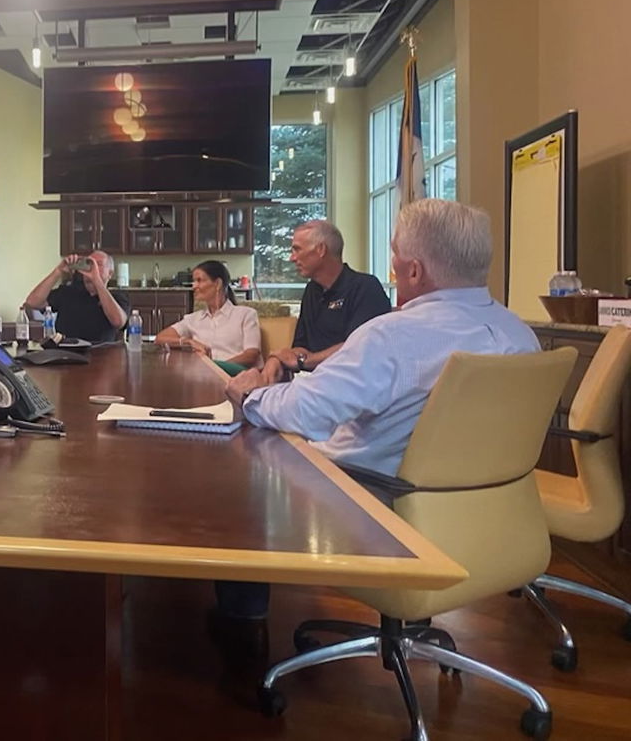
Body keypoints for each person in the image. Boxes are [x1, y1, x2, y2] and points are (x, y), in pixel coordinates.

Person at [213, 199, 540, 633]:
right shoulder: (522, 335)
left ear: (415, 271)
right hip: (491, 520)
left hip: (378, 508)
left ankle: (240, 626)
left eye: (395, 259)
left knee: (242, 466)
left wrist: (251, 395)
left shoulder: (393, 336)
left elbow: (307, 412)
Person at [262, 219, 391, 383]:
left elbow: (358, 349)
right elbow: (301, 346)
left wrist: (306, 361)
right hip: (314, 384)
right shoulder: (312, 290)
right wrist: (277, 359)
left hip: (354, 386)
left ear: (321, 250)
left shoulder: (365, 287)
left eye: (297, 250)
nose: (292, 258)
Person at [154, 260, 261, 368]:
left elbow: (251, 355)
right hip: (202, 375)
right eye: (194, 281)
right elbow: (160, 339)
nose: (194, 286)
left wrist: (217, 368)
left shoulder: (246, 315)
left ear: (218, 284)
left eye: (199, 280)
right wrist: (187, 342)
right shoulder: (193, 319)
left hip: (236, 375)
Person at [24, 250, 128, 344]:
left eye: (99, 265)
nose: (93, 268)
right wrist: (58, 271)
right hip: (65, 355)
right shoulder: (68, 292)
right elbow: (32, 302)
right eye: (90, 263)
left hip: (100, 356)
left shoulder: (117, 297)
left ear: (110, 273)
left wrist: (97, 280)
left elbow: (118, 322)